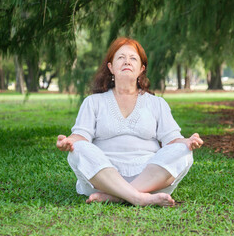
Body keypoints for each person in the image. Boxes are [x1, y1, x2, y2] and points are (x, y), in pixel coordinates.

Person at [56, 37, 204, 207]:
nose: (127, 61)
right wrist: (69, 141)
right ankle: (139, 197)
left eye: (133, 58)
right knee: (78, 149)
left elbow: (171, 139)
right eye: (120, 57)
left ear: (141, 69)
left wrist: (187, 141)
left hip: (150, 177)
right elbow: (81, 136)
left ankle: (117, 196)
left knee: (183, 151)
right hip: (103, 177)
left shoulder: (157, 103)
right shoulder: (93, 102)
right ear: (110, 67)